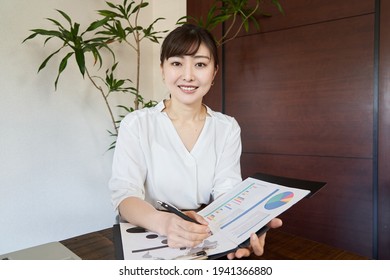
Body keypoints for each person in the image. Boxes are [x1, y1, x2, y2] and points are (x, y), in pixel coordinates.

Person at [109, 23, 282, 259]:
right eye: (177, 63)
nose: (188, 76)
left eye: (200, 64)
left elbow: (227, 192)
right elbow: (125, 197)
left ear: (214, 72)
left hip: (205, 232)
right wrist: (164, 222)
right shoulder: (137, 124)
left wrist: (244, 226)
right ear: (162, 69)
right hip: (149, 233)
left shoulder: (226, 127)